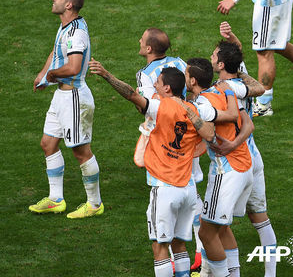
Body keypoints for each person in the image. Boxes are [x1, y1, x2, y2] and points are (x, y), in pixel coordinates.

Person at [89, 62, 218, 277]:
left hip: (165, 188)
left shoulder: (160, 107)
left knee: (160, 247)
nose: (155, 86)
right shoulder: (194, 111)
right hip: (188, 190)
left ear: (167, 87)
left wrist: (106, 75)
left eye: (158, 82)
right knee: (179, 245)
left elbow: (131, 94)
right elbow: (209, 137)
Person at [211, 22, 278, 277]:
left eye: (215, 55)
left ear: (221, 65)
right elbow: (241, 62)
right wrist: (232, 39)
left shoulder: (223, 90)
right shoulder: (241, 79)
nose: (211, 56)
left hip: (234, 161)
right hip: (254, 157)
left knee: (216, 224)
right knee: (261, 219)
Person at [30, 0, 103, 219]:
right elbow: (56, 51)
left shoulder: (76, 33)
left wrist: (52, 75)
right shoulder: (65, 27)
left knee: (81, 152)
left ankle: (94, 204)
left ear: (69, 5)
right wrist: (43, 74)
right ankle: (55, 199)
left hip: (74, 98)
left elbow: (73, 67)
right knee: (48, 144)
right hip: (61, 97)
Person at [180, 58, 253, 277]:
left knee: (206, 233)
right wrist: (234, 143)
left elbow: (211, 132)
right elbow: (248, 123)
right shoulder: (222, 91)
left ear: (193, 80)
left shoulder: (202, 105)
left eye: (186, 75)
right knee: (220, 228)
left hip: (226, 171)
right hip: (244, 166)